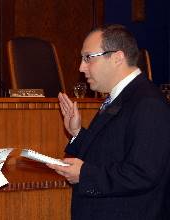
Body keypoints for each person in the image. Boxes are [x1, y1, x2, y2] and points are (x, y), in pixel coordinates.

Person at [47, 24, 170, 219]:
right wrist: (77, 132)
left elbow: (142, 174)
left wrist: (84, 175)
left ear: (117, 58)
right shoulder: (120, 97)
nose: (81, 67)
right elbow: (108, 153)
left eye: (88, 58)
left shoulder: (148, 103)